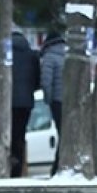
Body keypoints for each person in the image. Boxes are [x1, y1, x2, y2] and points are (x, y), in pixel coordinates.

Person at [0, 29, 40, 177]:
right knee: (19, 136)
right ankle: (16, 168)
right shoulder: (31, 54)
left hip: (2, 101)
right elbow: (37, 80)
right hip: (25, 103)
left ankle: (3, 163)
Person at [38, 30, 68, 175]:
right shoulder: (68, 54)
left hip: (57, 100)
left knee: (61, 135)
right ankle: (60, 166)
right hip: (69, 101)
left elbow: (46, 81)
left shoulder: (49, 57)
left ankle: (56, 168)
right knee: (66, 134)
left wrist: (47, 100)